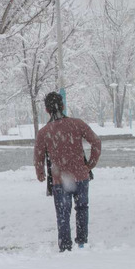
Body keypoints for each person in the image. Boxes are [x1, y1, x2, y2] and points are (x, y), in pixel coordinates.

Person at [34, 92, 102, 252]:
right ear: (63, 106)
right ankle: (82, 242)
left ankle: (65, 246)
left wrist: (40, 172)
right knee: (82, 208)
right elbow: (96, 142)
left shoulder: (44, 132)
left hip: (60, 180)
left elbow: (38, 156)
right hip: (81, 175)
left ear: (46, 110)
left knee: (63, 214)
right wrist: (90, 164)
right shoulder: (77, 124)